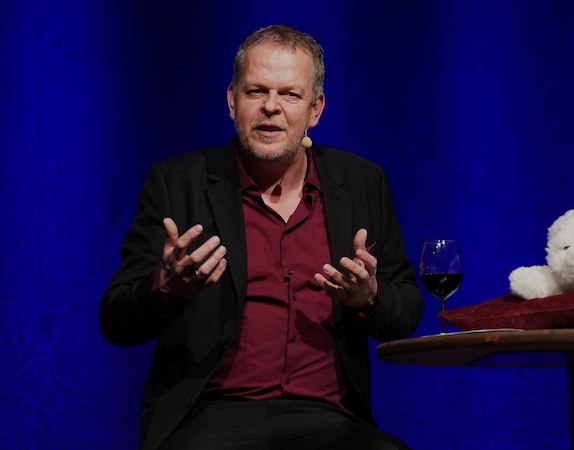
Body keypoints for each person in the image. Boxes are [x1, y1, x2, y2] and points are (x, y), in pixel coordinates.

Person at [99, 24, 423, 450]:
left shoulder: (362, 182)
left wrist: (369, 298)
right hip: (209, 417)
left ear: (315, 109)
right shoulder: (177, 183)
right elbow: (116, 321)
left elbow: (406, 310)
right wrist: (167, 289)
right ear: (232, 100)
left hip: (329, 419)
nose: (271, 107)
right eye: (256, 91)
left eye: (290, 94)